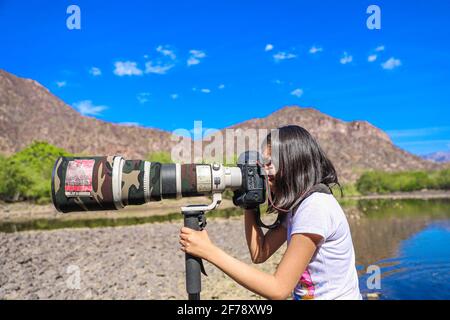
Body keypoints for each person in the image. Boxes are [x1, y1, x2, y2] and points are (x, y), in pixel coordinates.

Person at [179, 125, 362, 300]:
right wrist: (249, 200)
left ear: (293, 163)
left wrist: (209, 252)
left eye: (269, 163)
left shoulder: (315, 206)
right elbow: (260, 252)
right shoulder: (297, 206)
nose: (263, 171)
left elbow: (278, 289)